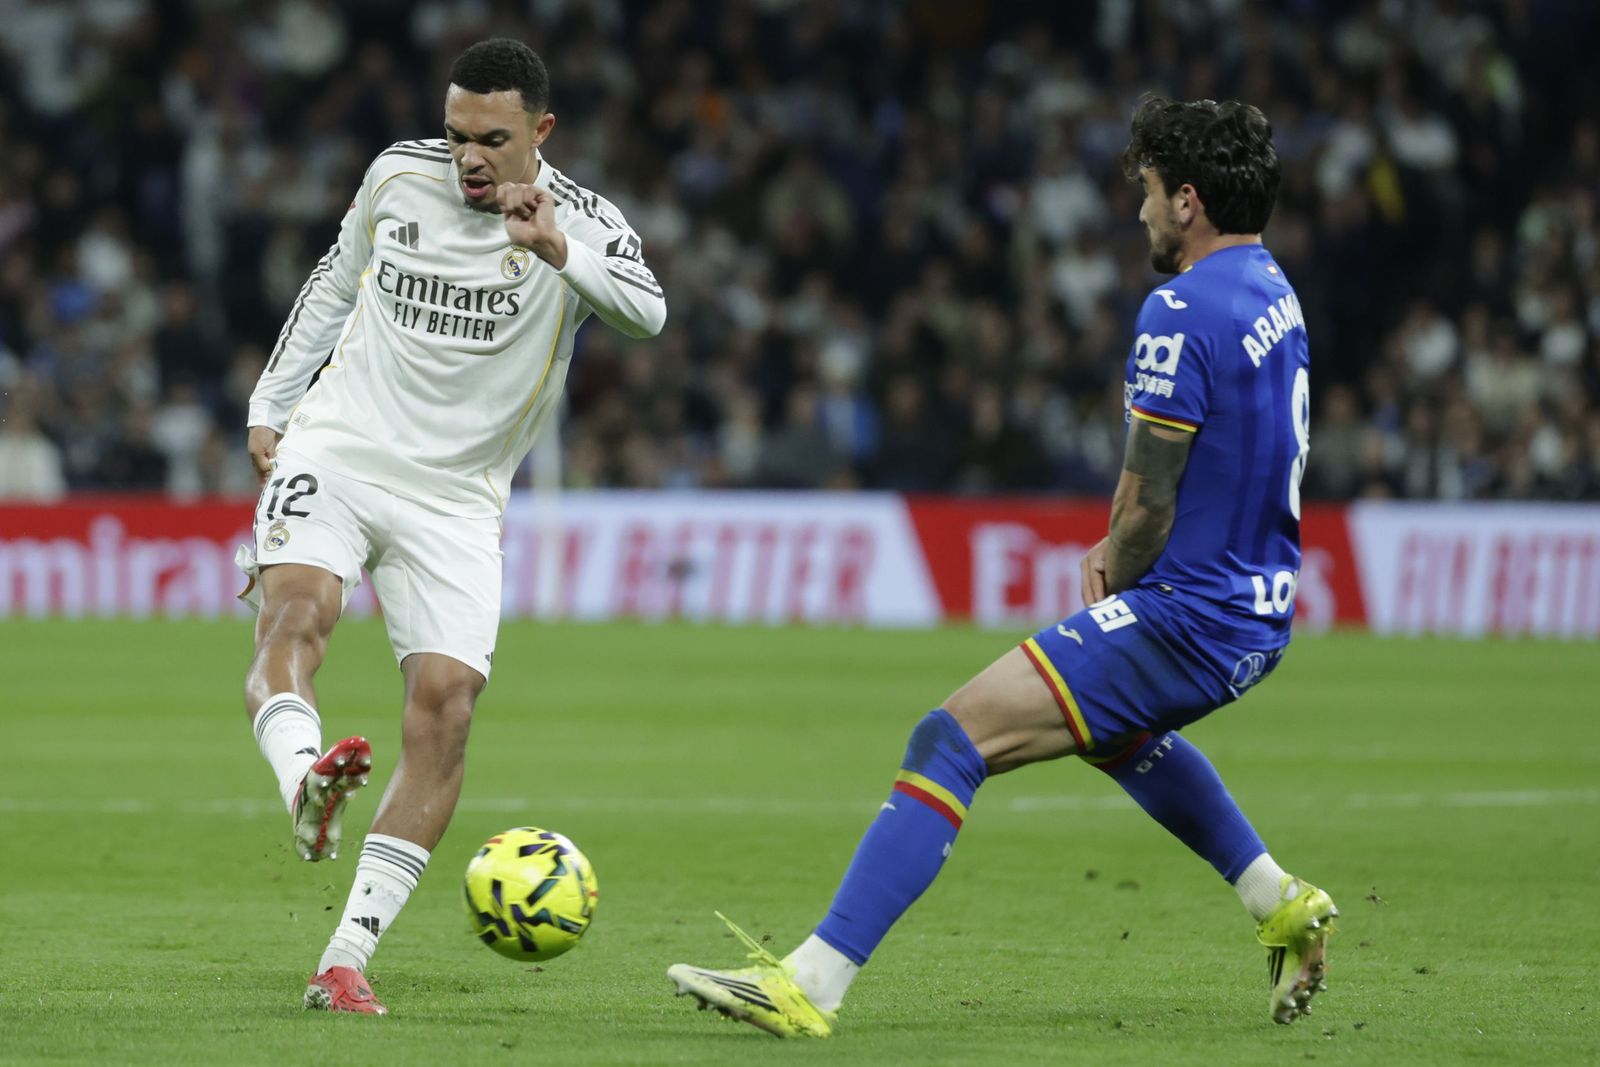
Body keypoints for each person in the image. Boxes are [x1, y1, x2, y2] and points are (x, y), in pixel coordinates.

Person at [668, 94, 1331, 1036]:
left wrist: (1119, 560)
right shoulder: (1275, 290)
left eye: (1146, 190)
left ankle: (811, 981)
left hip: (1194, 610)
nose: (1138, 211)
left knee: (950, 738)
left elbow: (1147, 497)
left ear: (1187, 201)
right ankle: (1279, 899)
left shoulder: (1179, 308)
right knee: (1114, 731)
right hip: (1262, 607)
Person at [238, 38, 664, 1015]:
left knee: (446, 710)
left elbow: (649, 312)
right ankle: (307, 783)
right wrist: (271, 401)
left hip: (459, 497)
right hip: (341, 445)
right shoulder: (397, 175)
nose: (468, 155)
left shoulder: (585, 221)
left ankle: (344, 957)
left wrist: (553, 245)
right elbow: (332, 283)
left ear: (540, 133)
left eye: (492, 138)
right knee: (295, 618)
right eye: (457, 132)